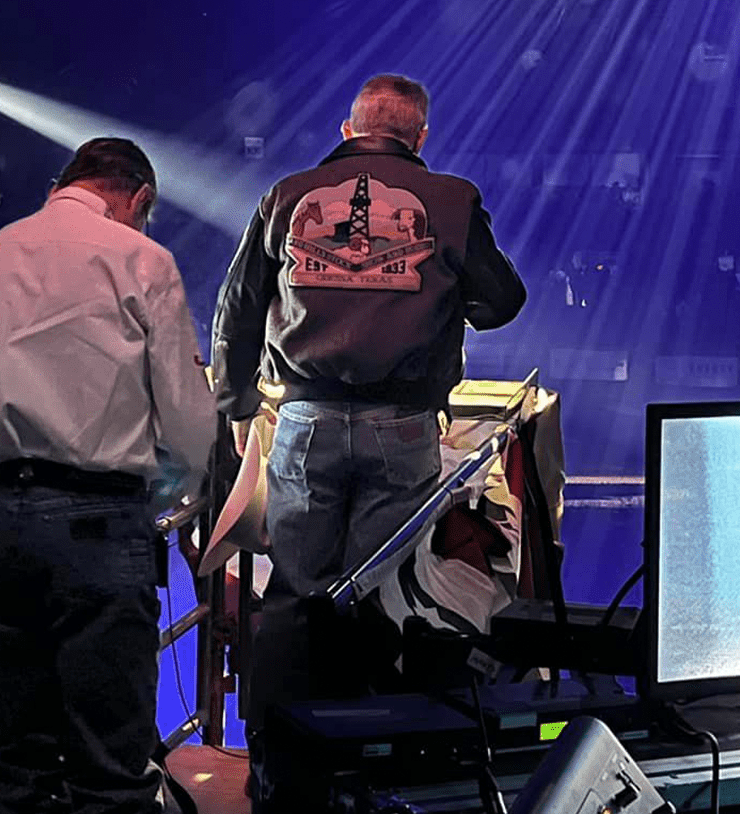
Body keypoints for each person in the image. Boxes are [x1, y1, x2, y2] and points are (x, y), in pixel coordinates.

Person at [210, 74, 526, 811]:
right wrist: (449, 299)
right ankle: (370, 775)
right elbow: (504, 300)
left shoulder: (287, 194)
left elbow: (237, 309)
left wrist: (231, 404)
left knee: (293, 598)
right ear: (421, 137)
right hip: (402, 427)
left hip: (304, 420)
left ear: (348, 130)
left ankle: (279, 774)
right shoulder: (451, 198)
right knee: (380, 599)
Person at [0, 138, 217, 814]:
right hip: (95, 524)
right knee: (110, 768)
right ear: (138, 198)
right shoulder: (142, 261)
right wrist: (179, 486)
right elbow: (187, 418)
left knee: (21, 763)